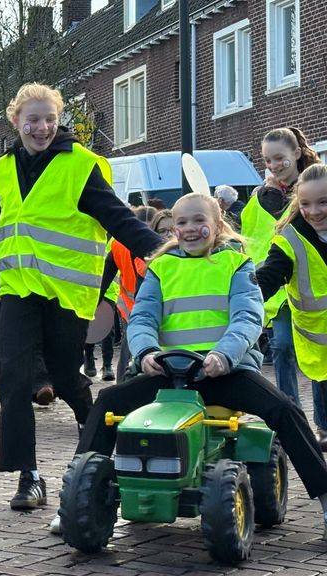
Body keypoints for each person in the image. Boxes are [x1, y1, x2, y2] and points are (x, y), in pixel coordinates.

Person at [70, 192, 327, 539]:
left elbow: (247, 318)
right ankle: (81, 496)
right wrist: (145, 352)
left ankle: (325, 498)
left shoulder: (236, 264)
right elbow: (143, 317)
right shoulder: (161, 268)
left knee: (284, 410)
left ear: (217, 225)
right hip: (168, 374)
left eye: (198, 221)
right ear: (174, 228)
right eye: (182, 223)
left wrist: (223, 355)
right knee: (107, 403)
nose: (190, 229)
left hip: (224, 372)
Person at [0, 83, 163, 511]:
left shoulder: (82, 166)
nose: (41, 127)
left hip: (67, 294)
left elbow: (117, 217)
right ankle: (28, 476)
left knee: (65, 376)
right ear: (15, 122)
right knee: (15, 377)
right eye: (32, 120)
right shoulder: (1, 169)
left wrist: (166, 251)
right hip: (18, 290)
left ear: (58, 119)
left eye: (49, 119)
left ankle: (90, 428)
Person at [242, 127, 321, 410]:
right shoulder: (262, 196)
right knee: (283, 347)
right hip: (280, 284)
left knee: (318, 353)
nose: (274, 166)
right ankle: (292, 411)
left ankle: (323, 423)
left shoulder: (317, 184)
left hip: (314, 283)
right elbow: (252, 235)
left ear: (297, 153)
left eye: (280, 158)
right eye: (267, 161)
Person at [256, 164, 327, 450]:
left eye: (323, 202)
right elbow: (268, 277)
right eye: (306, 203)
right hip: (319, 341)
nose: (314, 212)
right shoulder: (291, 240)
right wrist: (242, 299)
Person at [99, 207, 172, 384]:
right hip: (151, 312)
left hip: (133, 311)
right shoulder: (157, 254)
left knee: (130, 358)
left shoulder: (118, 244)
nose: (168, 235)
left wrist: (94, 302)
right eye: (163, 231)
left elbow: (104, 277)